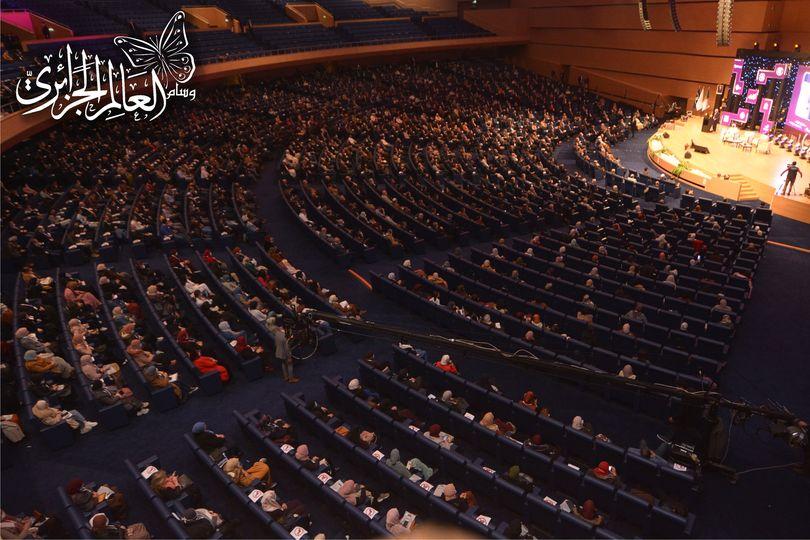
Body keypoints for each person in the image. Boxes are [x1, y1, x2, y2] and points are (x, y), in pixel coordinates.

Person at [32, 400, 97, 434]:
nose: (47, 404)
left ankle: (85, 423)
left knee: (74, 411)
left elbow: (54, 410)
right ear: (43, 406)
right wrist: (59, 415)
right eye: (46, 404)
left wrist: (58, 412)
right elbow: (53, 422)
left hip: (59, 416)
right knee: (73, 414)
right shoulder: (44, 416)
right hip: (58, 422)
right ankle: (83, 429)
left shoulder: (44, 408)